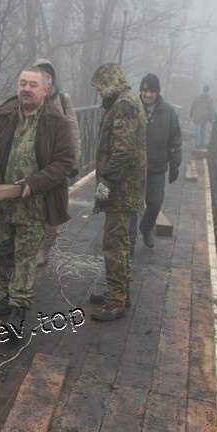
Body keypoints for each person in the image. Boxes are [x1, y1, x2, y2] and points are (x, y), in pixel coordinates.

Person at [0, 66, 75, 334]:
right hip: (3, 201)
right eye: (22, 83)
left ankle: (19, 308)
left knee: (25, 254)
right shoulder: (3, 114)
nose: (26, 89)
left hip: (35, 204)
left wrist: (34, 183)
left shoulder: (57, 122)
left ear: (47, 89)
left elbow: (64, 162)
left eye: (33, 85)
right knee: (3, 251)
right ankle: (9, 296)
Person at [89, 63, 146, 322]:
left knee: (114, 244)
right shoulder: (124, 102)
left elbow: (123, 149)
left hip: (122, 189)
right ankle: (120, 293)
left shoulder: (123, 105)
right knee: (120, 242)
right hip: (126, 188)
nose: (99, 92)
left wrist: (107, 181)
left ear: (111, 83)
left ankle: (115, 301)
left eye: (100, 86)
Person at [32, 58, 80, 268]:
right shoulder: (30, 98)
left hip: (58, 162)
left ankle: (45, 247)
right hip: (35, 163)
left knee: (55, 206)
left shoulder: (62, 98)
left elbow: (74, 131)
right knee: (35, 206)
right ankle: (33, 245)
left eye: (48, 75)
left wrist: (75, 160)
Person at [129, 73, 181, 249]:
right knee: (131, 205)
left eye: (151, 91)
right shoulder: (132, 108)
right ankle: (130, 241)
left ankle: (146, 227)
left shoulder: (168, 112)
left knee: (155, 204)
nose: (147, 94)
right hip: (134, 167)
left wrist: (175, 165)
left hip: (157, 167)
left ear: (157, 92)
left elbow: (175, 141)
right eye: (144, 90)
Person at [190, 84, 215, 150]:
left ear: (203, 89)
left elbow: (193, 104)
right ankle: (201, 143)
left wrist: (191, 113)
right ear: (208, 90)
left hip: (198, 115)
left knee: (198, 128)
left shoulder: (199, 96)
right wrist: (211, 117)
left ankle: (197, 143)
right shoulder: (210, 98)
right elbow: (212, 109)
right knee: (203, 130)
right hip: (205, 116)